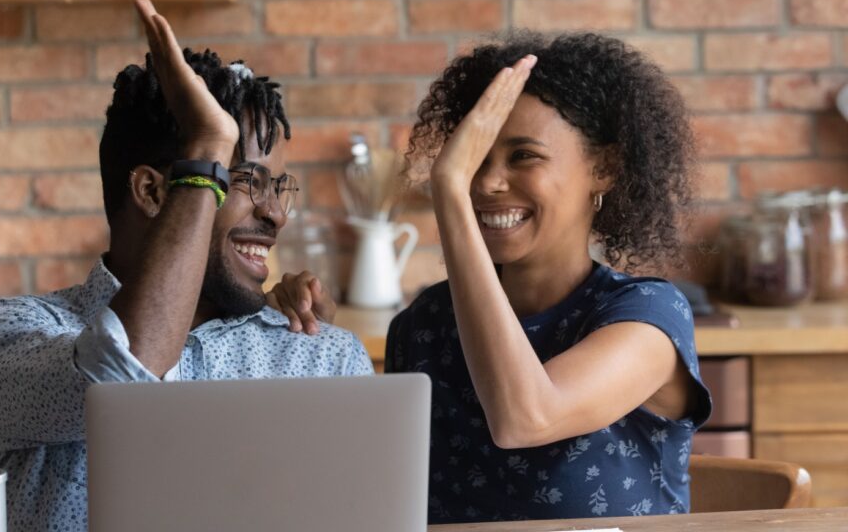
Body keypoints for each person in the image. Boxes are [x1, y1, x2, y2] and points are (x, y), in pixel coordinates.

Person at [0, 0, 373, 532]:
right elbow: (126, 374)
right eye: (244, 181)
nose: (275, 214)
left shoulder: (320, 357)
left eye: (279, 187)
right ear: (153, 191)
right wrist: (208, 147)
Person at [271, 31, 712, 522]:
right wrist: (314, 342)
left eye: (524, 155)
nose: (486, 183)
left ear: (604, 167)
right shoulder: (425, 325)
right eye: (475, 159)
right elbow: (371, 495)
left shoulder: (647, 319)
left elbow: (525, 418)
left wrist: (449, 188)